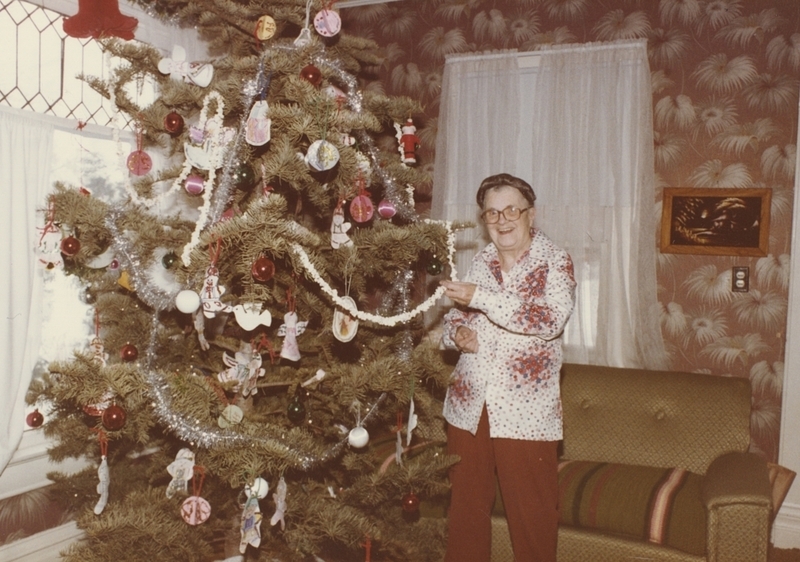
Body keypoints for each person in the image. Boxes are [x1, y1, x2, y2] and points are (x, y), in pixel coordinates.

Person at [440, 173, 576, 562]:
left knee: (532, 517)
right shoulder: (480, 261)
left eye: (511, 210)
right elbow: (452, 321)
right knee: (465, 513)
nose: (501, 220)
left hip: (525, 410)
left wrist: (481, 298)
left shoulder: (555, 261)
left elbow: (550, 320)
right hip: (468, 407)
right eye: (491, 213)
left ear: (531, 215)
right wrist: (459, 333)